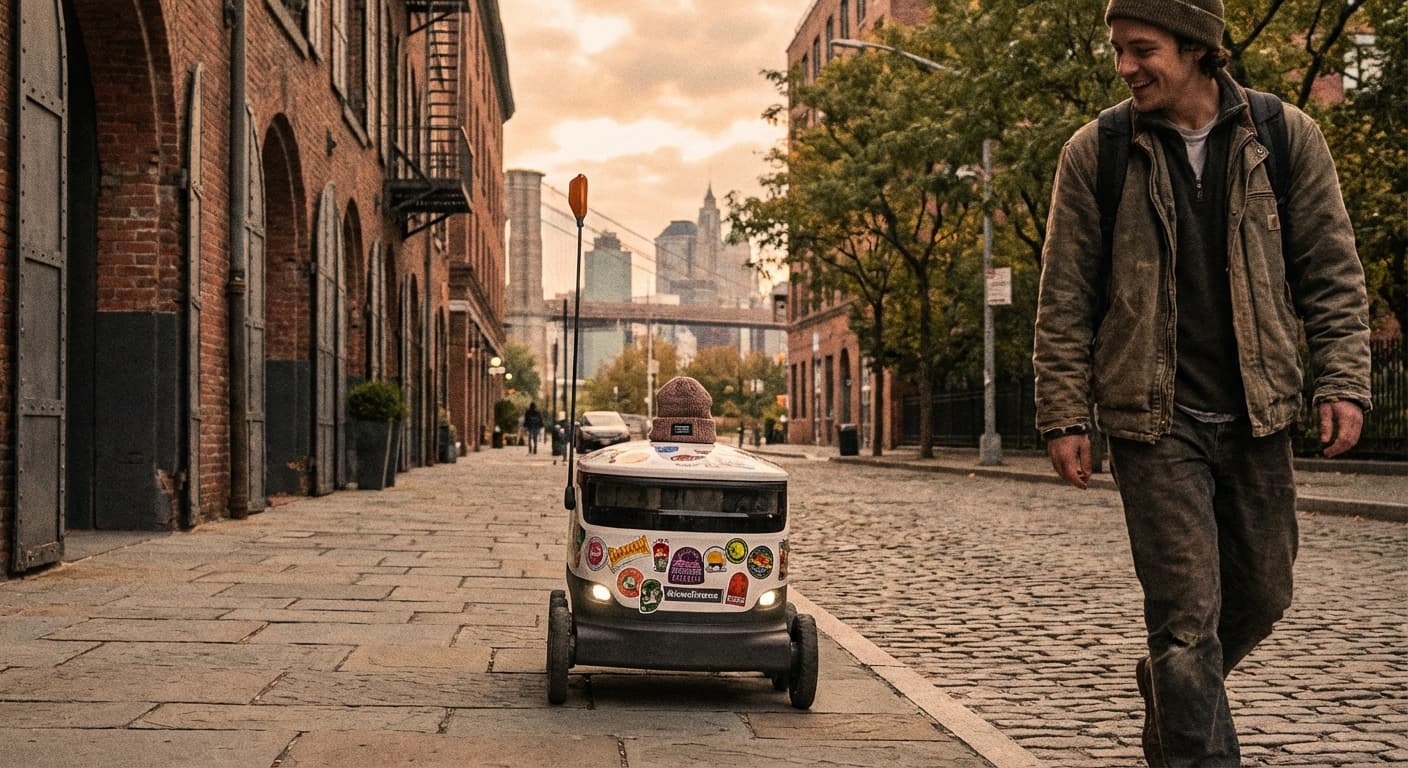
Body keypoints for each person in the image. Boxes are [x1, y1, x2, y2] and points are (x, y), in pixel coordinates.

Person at [1032, 1, 1373, 764]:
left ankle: (1169, 681)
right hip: (1154, 420)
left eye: (1141, 49)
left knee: (1262, 596)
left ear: (1197, 50)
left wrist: (1342, 380)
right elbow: (1064, 298)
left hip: (1259, 409)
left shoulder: (1283, 137)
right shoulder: (1099, 151)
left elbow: (1331, 271)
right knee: (1187, 622)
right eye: (1118, 49)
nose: (1125, 67)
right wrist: (1062, 414)